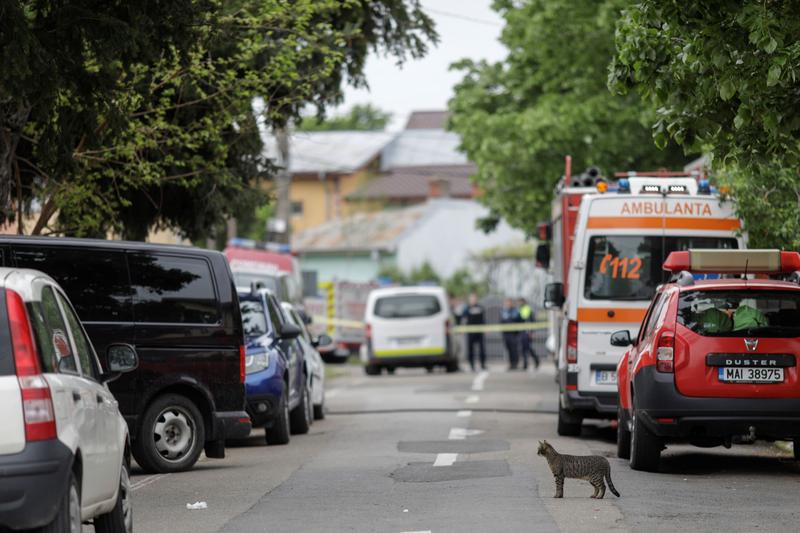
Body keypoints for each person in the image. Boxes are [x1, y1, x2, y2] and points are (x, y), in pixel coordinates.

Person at [459, 293, 487, 372]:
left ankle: (483, 364)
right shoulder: (466, 308)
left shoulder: (480, 308)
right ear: (469, 300)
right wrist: (462, 328)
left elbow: (483, 319)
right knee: (470, 350)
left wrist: (485, 328)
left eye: (474, 299)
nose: (473, 300)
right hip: (470, 332)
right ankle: (472, 365)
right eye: (471, 299)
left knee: (482, 349)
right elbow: (463, 319)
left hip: (479, 331)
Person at [517, 298, 540, 370]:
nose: (519, 303)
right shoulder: (520, 309)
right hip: (522, 331)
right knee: (523, 349)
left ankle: (536, 360)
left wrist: (532, 332)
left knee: (528, 348)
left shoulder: (527, 309)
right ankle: (525, 364)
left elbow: (531, 321)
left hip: (527, 332)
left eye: (520, 302)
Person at [500, 298, 521, 370]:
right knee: (508, 349)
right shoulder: (503, 311)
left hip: (514, 334)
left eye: (509, 303)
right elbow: (502, 321)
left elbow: (518, 319)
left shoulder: (515, 311)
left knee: (514, 349)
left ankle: (515, 364)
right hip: (506, 334)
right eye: (506, 303)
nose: (508, 304)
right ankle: (511, 364)